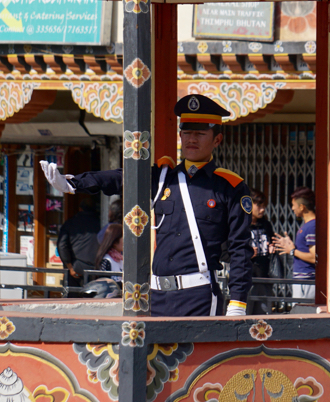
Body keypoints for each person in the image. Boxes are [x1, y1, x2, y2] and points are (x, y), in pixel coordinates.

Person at [41, 94, 253, 317]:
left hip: (198, 295)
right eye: (187, 133)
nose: (192, 139)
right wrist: (71, 183)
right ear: (180, 135)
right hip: (157, 296)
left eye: (200, 134)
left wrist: (238, 304)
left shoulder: (230, 186)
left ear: (217, 140)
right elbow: (120, 177)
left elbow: (240, 249)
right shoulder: (163, 178)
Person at [272, 187, 316, 303]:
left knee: (302, 315)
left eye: (293, 205)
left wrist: (292, 251)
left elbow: (314, 257)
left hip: (306, 280)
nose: (292, 208)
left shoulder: (311, 227)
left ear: (302, 207)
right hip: (302, 280)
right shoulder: (307, 226)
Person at [57, 201, 100, 297]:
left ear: (80, 209)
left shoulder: (70, 223)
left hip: (76, 269)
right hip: (95, 270)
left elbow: (62, 245)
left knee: (72, 301)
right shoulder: (100, 223)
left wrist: (69, 266)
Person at [247, 188, 274, 315]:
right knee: (245, 316)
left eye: (264, 206)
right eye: (259, 205)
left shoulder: (266, 225)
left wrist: (273, 249)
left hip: (264, 279)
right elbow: (226, 253)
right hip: (246, 280)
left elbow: (273, 243)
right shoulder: (240, 226)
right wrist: (247, 253)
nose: (262, 209)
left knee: (263, 317)